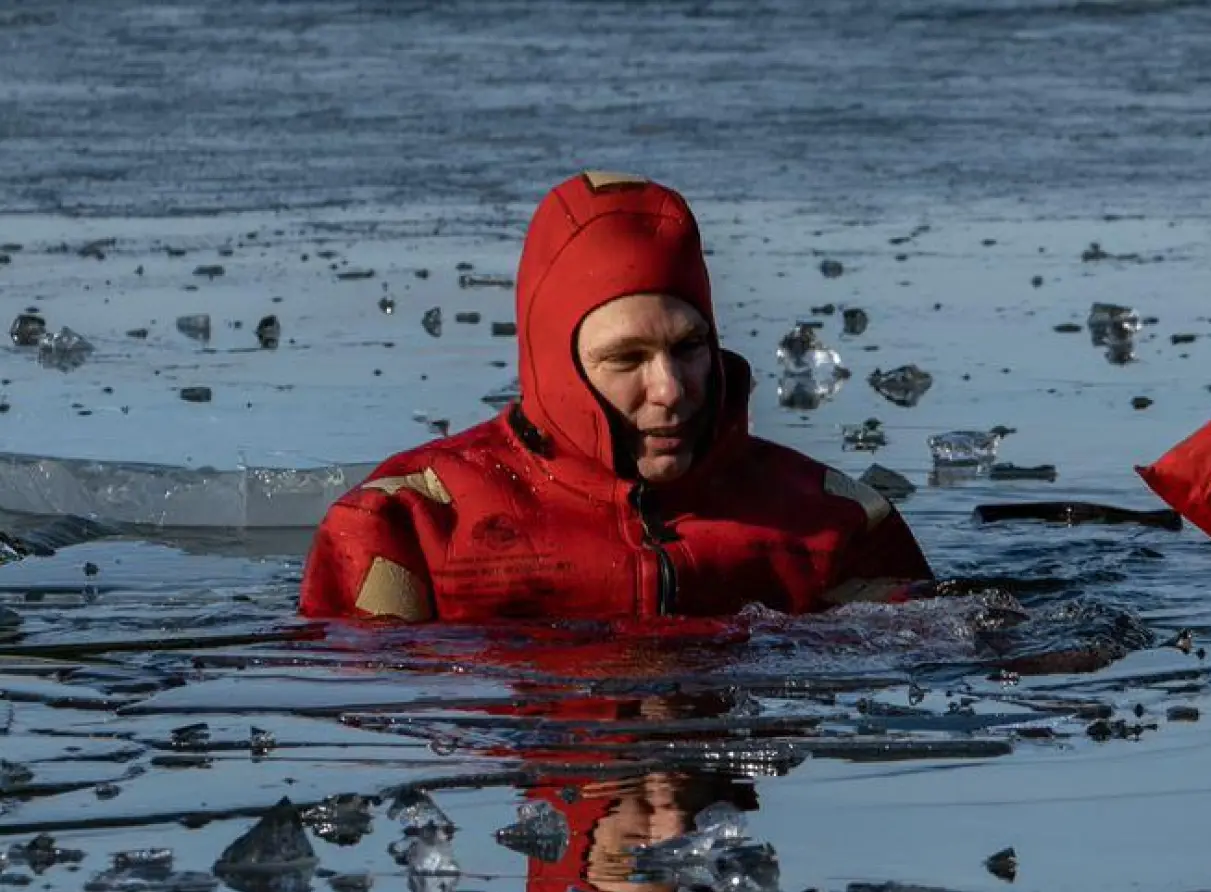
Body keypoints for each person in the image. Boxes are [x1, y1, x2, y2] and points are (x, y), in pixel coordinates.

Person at [299, 170, 934, 623]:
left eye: (689, 347)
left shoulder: (835, 522)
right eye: (626, 359)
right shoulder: (406, 524)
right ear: (555, 365)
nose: (671, 389)